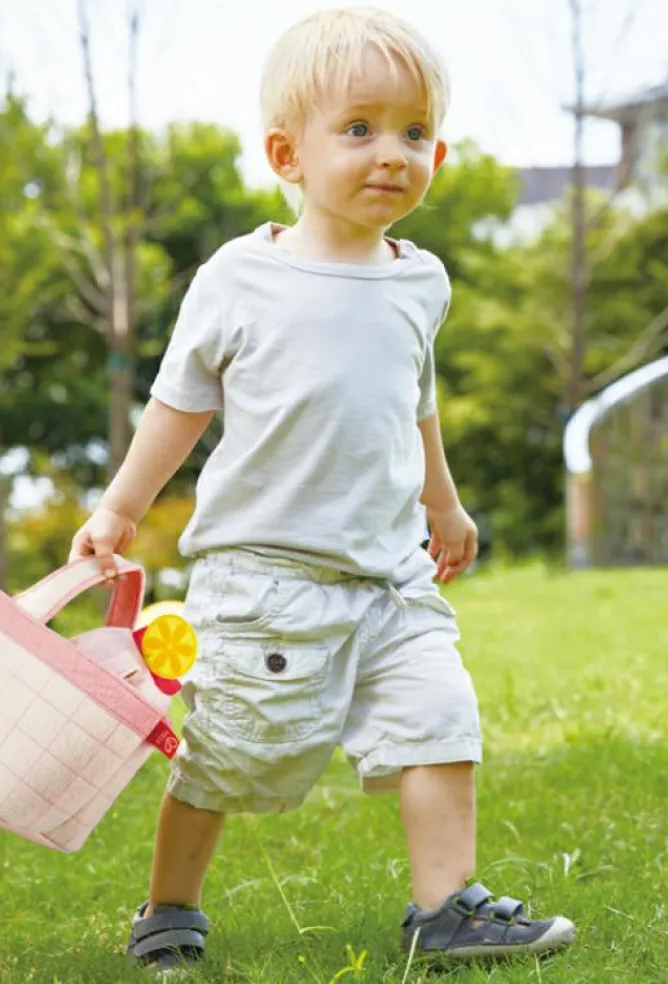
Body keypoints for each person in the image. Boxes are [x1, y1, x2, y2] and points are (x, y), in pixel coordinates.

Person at [69, 6, 575, 970]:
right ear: (286, 154)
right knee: (229, 757)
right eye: (360, 128)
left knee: (441, 719)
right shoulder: (241, 279)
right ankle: (168, 909)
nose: (393, 152)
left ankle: (445, 910)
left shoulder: (421, 281)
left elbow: (411, 402)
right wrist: (121, 508)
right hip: (267, 584)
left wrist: (444, 502)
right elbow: (179, 404)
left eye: (415, 132)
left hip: (390, 578)